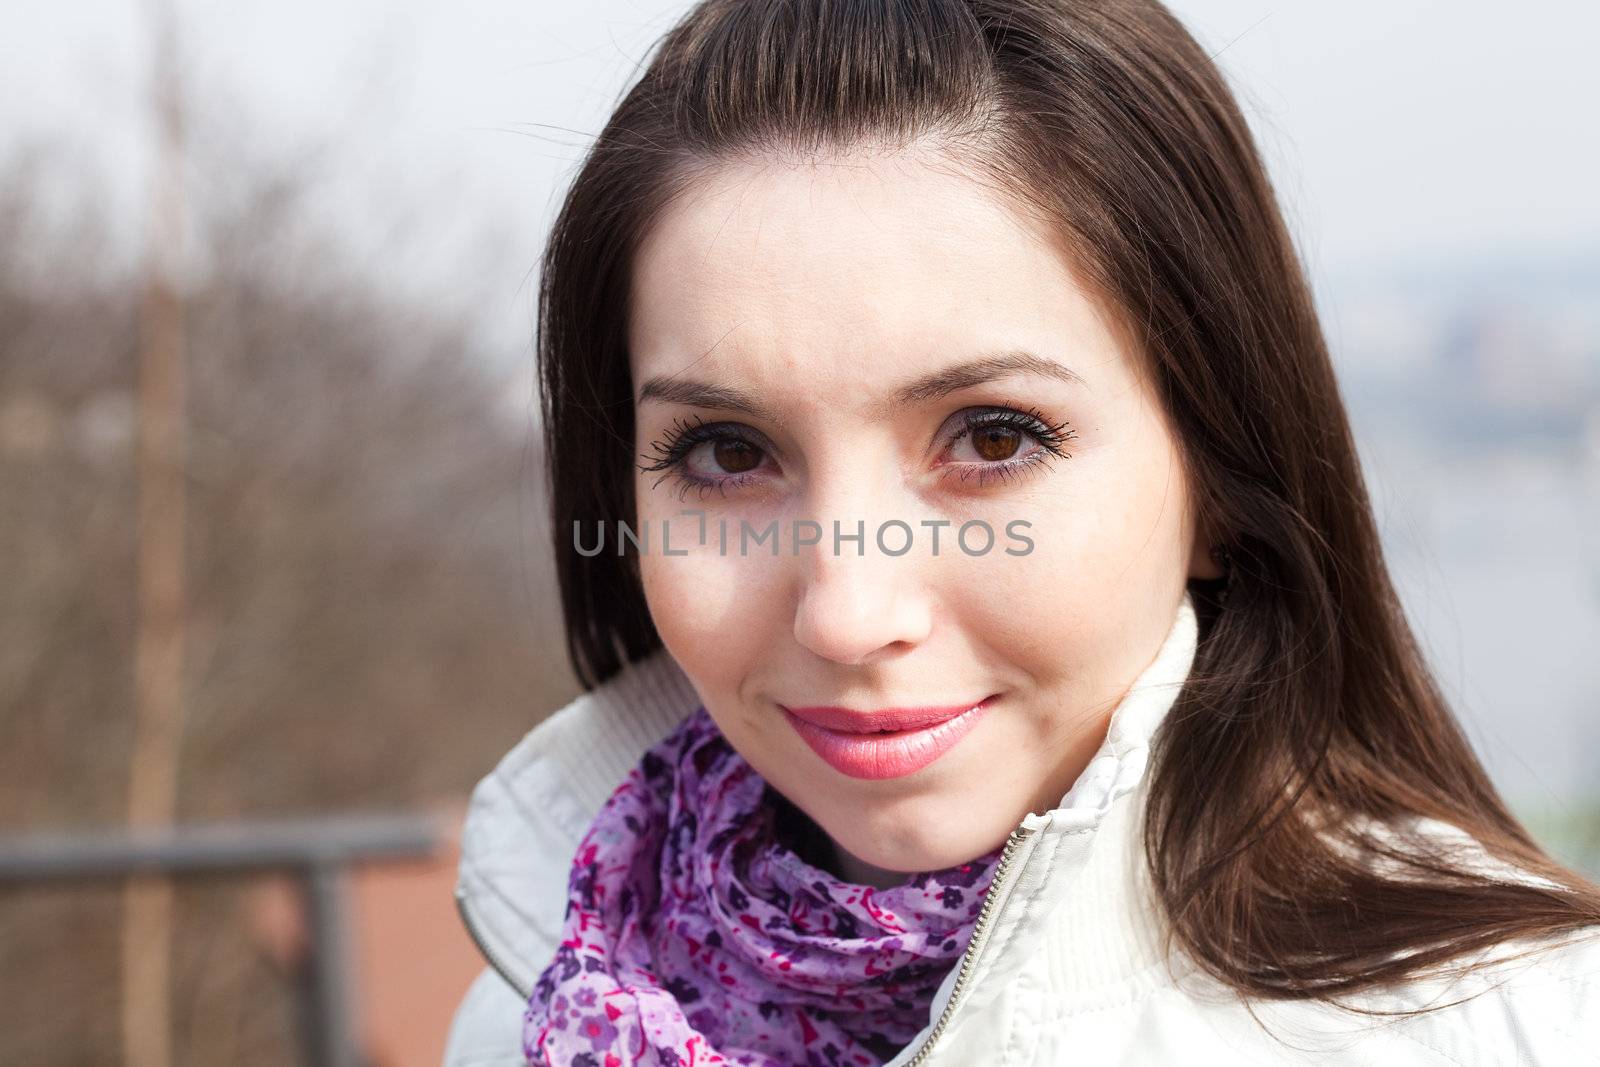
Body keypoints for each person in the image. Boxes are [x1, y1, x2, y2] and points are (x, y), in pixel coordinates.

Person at [444, 1, 1600, 1063]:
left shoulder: (1518, 1026)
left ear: (1216, 477)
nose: (849, 610)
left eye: (993, 439)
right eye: (728, 453)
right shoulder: (525, 1013)